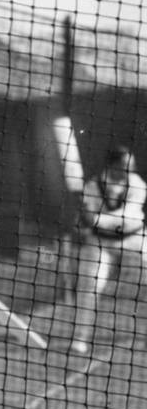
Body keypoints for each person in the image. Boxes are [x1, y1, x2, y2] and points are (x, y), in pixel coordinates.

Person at [72, 145, 147, 353]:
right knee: (89, 284)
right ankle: (80, 338)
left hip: (134, 239)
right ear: (112, 165)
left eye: (131, 166)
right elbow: (84, 221)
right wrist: (82, 221)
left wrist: (94, 218)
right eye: (125, 166)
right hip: (100, 242)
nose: (129, 169)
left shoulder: (138, 185)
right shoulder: (93, 186)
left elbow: (127, 216)